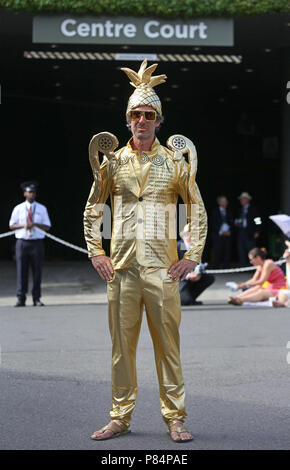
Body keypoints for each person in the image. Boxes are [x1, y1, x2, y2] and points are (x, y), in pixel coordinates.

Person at [83, 60, 207, 442]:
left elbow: (196, 208)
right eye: (135, 114)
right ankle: (120, 416)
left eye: (148, 114)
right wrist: (96, 251)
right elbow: (93, 208)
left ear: (158, 120)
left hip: (162, 269)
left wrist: (192, 254)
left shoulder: (175, 163)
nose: (141, 120)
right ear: (127, 119)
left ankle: (175, 417)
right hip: (120, 268)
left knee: (168, 347)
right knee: (122, 348)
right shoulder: (113, 162)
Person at [9, 181, 51, 307]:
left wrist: (35, 224)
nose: (31, 194)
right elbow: (11, 225)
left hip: (36, 243)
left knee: (37, 271)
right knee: (21, 271)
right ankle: (21, 298)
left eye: (33, 192)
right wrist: (24, 225)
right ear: (24, 193)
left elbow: (47, 226)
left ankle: (36, 298)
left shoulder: (41, 208)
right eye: (29, 192)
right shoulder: (18, 208)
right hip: (22, 243)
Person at [178, 224, 215, 305]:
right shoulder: (179, 246)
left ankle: (191, 298)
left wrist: (198, 273)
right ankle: (184, 298)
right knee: (185, 301)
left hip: (190, 278)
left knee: (209, 278)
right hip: (178, 280)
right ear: (186, 235)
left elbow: (198, 264)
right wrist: (188, 276)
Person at [235, 192, 262, 267]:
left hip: (250, 233)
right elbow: (238, 219)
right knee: (241, 250)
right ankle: (243, 266)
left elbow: (258, 221)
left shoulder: (253, 209)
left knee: (251, 250)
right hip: (241, 232)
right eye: (240, 200)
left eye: (242, 199)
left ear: (247, 200)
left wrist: (257, 231)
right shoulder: (240, 210)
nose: (241, 201)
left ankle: (252, 267)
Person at [212, 195, 233, 268]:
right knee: (217, 251)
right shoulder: (214, 211)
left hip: (227, 235)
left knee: (227, 251)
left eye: (226, 201)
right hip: (218, 235)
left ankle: (226, 266)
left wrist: (228, 231)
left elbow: (232, 223)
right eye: (224, 201)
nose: (226, 203)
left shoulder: (229, 211)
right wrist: (220, 231)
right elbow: (213, 223)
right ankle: (216, 266)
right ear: (220, 202)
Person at [273, 241, 290, 308]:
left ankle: (285, 304)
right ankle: (282, 303)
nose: (287, 250)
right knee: (282, 292)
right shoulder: (287, 264)